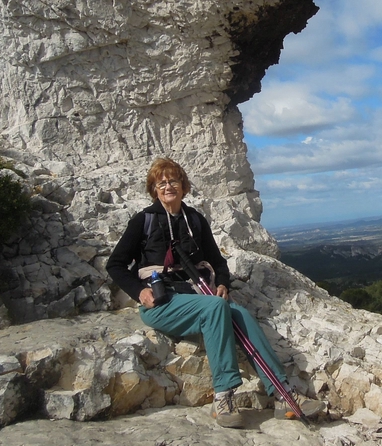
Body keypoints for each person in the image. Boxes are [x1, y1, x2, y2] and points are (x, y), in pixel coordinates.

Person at [106, 157, 325, 428]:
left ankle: (283, 394)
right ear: (154, 189)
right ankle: (223, 397)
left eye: (173, 180)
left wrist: (222, 283)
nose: (167, 186)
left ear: (183, 186)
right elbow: (115, 264)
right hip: (162, 302)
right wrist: (140, 292)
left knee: (241, 314)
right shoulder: (144, 221)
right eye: (160, 183)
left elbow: (218, 261)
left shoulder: (194, 220)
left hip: (196, 295)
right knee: (216, 308)